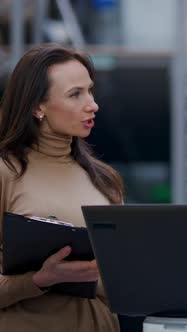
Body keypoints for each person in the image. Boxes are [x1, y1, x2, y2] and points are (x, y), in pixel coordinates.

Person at [0, 45, 124, 332]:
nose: (92, 104)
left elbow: (118, 283)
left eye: (90, 91)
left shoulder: (104, 179)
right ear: (36, 106)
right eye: (75, 94)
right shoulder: (6, 172)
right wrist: (39, 280)